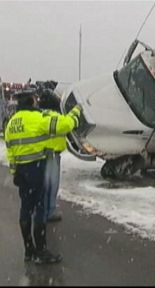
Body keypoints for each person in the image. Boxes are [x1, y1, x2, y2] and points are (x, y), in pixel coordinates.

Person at [4, 90, 81, 264]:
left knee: (25, 209)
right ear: (31, 102)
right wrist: (75, 114)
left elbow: (10, 151)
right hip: (36, 169)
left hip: (22, 172)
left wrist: (14, 172)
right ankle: (41, 251)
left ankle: (28, 250)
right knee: (40, 210)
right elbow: (64, 126)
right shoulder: (37, 119)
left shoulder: (11, 123)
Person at [38, 89, 65, 222]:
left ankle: (41, 210)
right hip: (53, 155)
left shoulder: (37, 117)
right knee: (52, 184)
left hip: (40, 154)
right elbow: (69, 125)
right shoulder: (57, 117)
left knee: (42, 184)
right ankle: (50, 211)